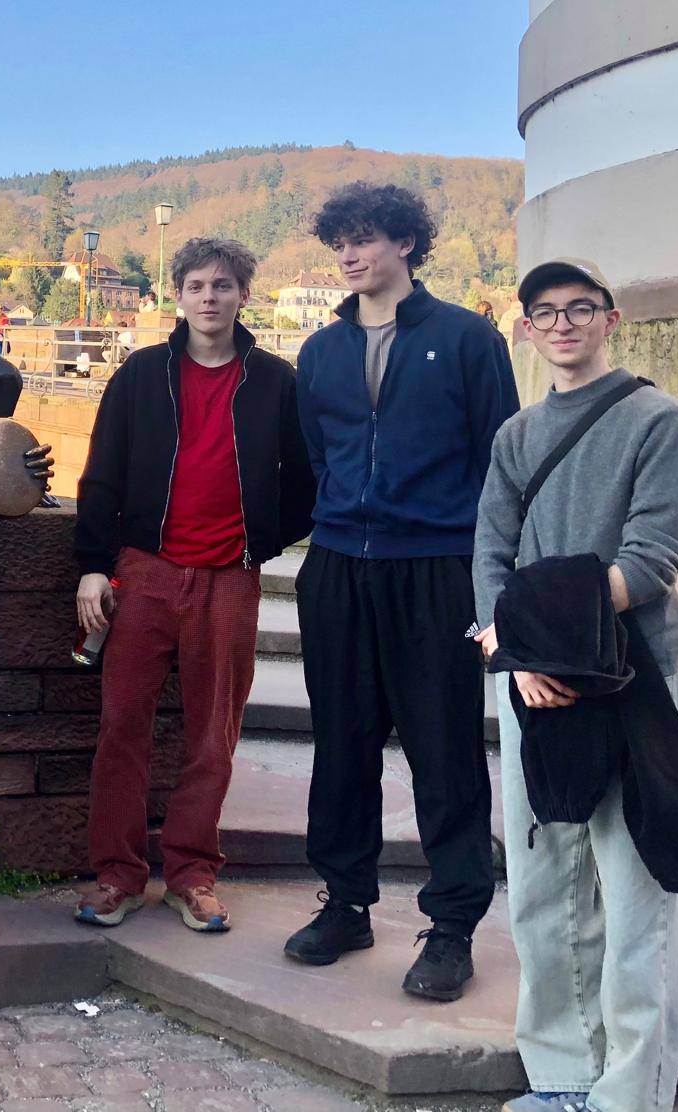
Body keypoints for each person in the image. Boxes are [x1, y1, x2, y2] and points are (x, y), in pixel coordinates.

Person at [474, 259, 678, 1112]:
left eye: (581, 309)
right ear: (528, 330)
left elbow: (649, 561)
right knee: (544, 889)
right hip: (528, 682)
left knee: (637, 895)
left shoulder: (661, 422)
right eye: (545, 313)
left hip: (630, 681)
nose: (563, 324)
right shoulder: (515, 436)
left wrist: (542, 632)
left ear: (611, 320)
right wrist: (513, 649)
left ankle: (630, 1096)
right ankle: (563, 1079)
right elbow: (488, 555)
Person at [287, 182, 519, 1001]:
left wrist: (493, 582)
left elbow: (501, 464)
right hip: (342, 567)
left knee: (444, 751)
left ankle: (451, 926)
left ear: (407, 245)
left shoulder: (467, 339)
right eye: (340, 242)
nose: (350, 255)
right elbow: (319, 455)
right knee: (342, 744)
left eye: (366, 239)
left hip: (437, 571)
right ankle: (346, 903)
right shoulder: (319, 353)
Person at [72, 238, 316, 932]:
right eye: (198, 285)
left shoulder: (275, 382)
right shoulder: (141, 376)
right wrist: (94, 563)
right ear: (177, 295)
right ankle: (117, 875)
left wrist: (260, 541)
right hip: (144, 573)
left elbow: (304, 482)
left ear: (244, 295)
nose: (211, 296)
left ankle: (190, 873)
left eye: (225, 285)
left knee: (213, 735)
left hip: (229, 578)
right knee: (123, 726)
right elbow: (101, 478)